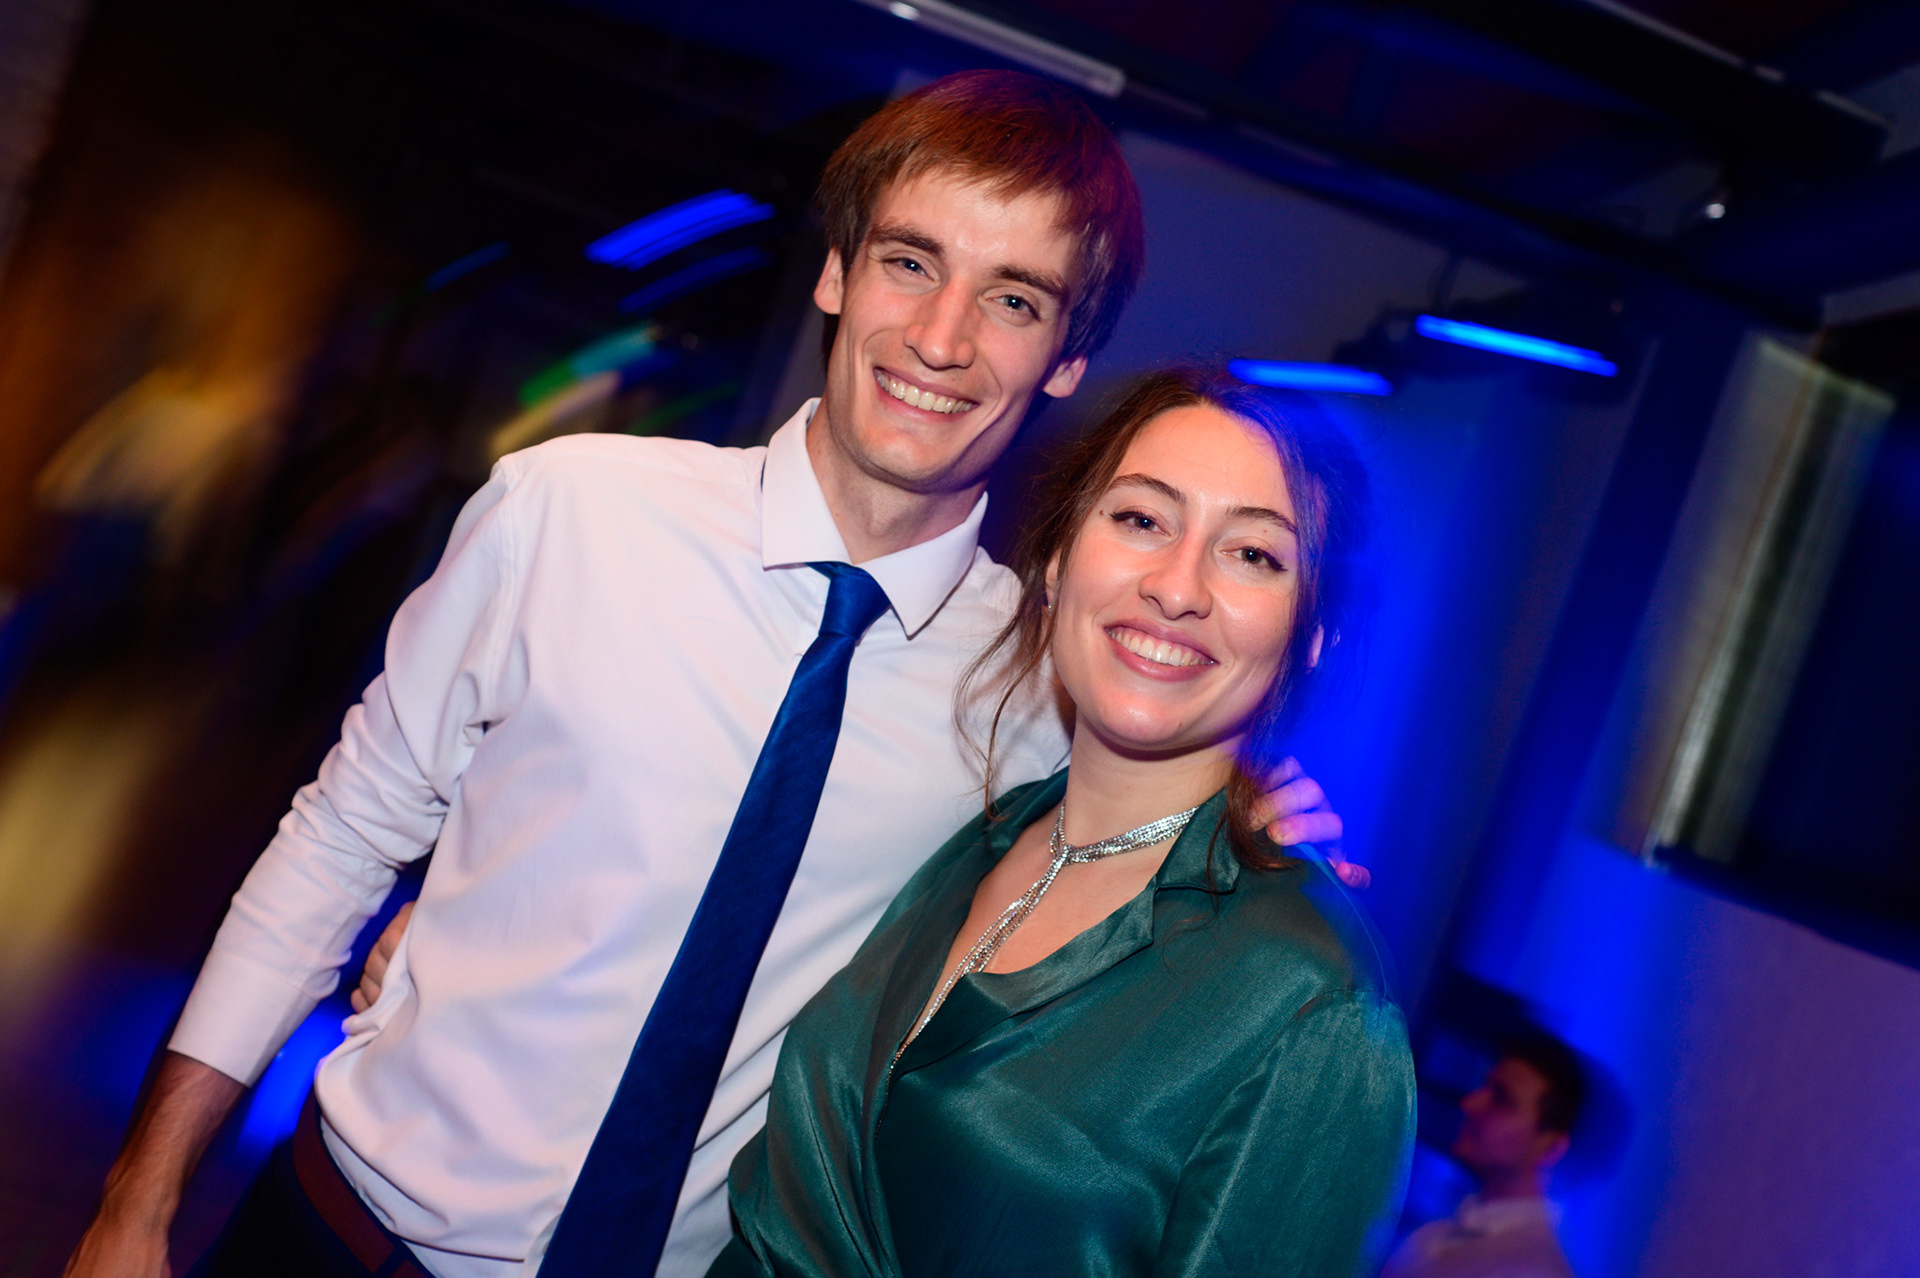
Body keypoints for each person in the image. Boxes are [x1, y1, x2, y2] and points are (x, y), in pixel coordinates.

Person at [65, 71, 1350, 1278]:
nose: (944, 339)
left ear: (1065, 359)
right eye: (912, 263)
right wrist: (140, 1195)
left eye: (1014, 299)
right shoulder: (569, 512)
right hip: (338, 1238)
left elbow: (1154, 808)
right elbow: (343, 836)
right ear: (837, 276)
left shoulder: (1040, 685)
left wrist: (1254, 809)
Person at [713, 366, 1415, 1278]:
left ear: (1308, 637)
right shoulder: (983, 836)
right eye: (1141, 520)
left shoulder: (1311, 998)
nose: (1175, 587)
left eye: (1253, 555)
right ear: (1055, 560)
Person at [1381, 1035, 1586, 1278]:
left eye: (1501, 1099)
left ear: (1550, 1147)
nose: (1471, 1102)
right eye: (1485, 1087)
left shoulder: (1535, 1269)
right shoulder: (1436, 1234)